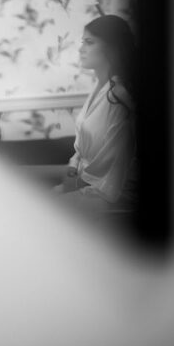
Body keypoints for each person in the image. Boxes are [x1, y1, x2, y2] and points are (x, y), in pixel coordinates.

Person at [56, 14, 138, 213]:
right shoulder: (102, 86)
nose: (81, 49)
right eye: (82, 41)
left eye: (89, 42)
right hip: (85, 178)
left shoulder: (119, 97)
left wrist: (73, 185)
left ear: (112, 48)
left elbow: (111, 174)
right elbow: (83, 148)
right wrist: (73, 167)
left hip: (110, 194)